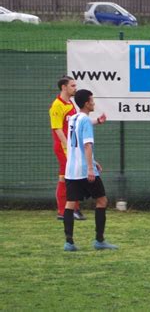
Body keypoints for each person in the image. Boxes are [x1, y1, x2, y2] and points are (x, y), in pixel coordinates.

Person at [63, 89, 117, 251]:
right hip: (84, 170)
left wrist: (98, 122)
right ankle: (99, 241)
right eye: (92, 100)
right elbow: (86, 144)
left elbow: (78, 137)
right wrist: (90, 168)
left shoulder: (74, 118)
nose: (94, 103)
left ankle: (69, 243)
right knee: (102, 201)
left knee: (70, 204)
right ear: (87, 103)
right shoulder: (85, 120)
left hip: (71, 170)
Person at [49, 76, 106, 220]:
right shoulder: (57, 105)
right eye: (72, 86)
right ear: (64, 87)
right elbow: (58, 129)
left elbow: (78, 125)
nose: (75, 88)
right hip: (64, 147)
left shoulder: (71, 104)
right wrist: (68, 147)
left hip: (71, 147)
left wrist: (97, 121)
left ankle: (74, 209)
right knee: (65, 178)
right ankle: (63, 211)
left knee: (75, 177)